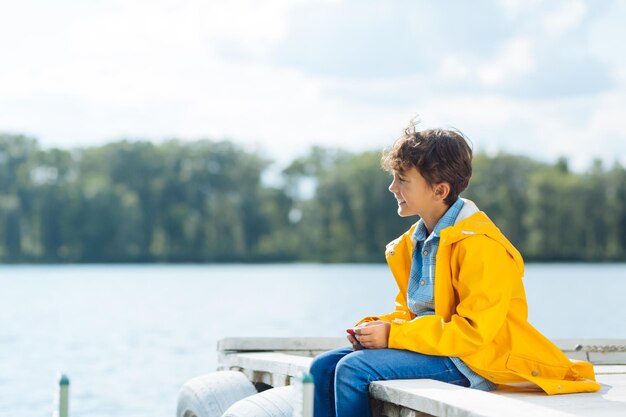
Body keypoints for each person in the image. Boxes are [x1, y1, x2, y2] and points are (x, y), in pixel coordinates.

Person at [309, 121, 600, 417]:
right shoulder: (413, 243)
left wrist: (393, 336)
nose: (392, 187)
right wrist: (374, 329)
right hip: (432, 348)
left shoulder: (481, 245)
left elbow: (474, 333)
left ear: (440, 190)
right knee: (322, 367)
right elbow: (412, 314)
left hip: (472, 359)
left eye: (402, 180)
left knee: (352, 370)